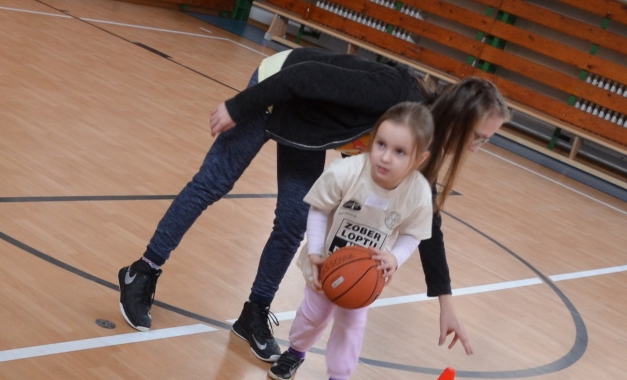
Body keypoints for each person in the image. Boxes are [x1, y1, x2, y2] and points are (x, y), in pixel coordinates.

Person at [117, 47, 510, 360]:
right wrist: (239, 106)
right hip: (277, 87)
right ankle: (142, 271)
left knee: (293, 221)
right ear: (459, 120)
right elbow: (303, 77)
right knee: (212, 184)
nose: (478, 147)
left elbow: (426, 223)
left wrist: (446, 304)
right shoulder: (394, 93)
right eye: (480, 137)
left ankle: (253, 313)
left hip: (307, 124)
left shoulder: (421, 144)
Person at [268, 102, 434, 380]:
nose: (385, 156)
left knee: (351, 326)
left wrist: (394, 258)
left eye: (400, 152)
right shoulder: (347, 171)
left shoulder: (418, 194)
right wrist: (316, 252)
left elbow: (413, 235)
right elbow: (318, 209)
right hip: (325, 263)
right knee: (312, 315)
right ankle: (294, 353)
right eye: (381, 144)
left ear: (419, 160)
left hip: (366, 276)